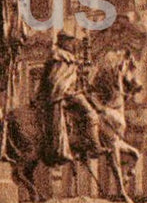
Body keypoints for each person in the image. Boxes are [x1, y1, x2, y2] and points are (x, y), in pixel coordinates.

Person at [37, 33, 101, 164]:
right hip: (64, 93)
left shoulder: (61, 56)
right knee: (91, 113)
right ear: (64, 42)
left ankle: (82, 143)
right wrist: (68, 91)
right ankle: (95, 147)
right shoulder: (62, 57)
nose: (73, 45)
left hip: (62, 92)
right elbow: (58, 80)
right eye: (70, 42)